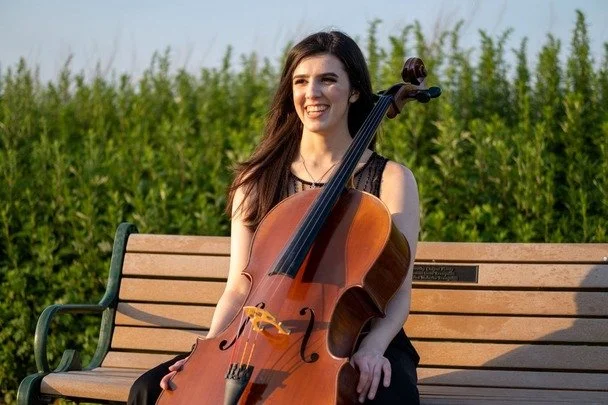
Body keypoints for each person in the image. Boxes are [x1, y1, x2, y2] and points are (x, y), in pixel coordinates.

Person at [128, 30, 420, 404]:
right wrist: (207, 351)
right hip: (259, 338)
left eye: (328, 80)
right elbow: (238, 288)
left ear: (355, 92)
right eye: (301, 81)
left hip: (364, 335)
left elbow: (397, 294)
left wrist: (374, 348)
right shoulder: (257, 180)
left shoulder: (391, 180)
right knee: (149, 390)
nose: (312, 93)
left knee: (376, 396)